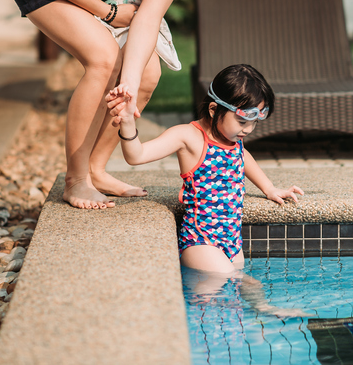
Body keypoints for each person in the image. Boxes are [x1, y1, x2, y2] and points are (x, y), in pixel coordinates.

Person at [6, 0, 234, 210]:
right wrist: (108, 12)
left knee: (147, 73)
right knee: (103, 58)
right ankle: (76, 179)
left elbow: (147, 19)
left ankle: (96, 170)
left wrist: (128, 84)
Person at [108, 64, 304, 273]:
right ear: (213, 109)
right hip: (201, 241)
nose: (248, 129)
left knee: (237, 291)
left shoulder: (233, 137)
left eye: (254, 122)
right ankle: (265, 308)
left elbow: (242, 157)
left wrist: (269, 188)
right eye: (241, 121)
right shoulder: (188, 137)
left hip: (231, 241)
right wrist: (127, 121)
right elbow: (136, 156)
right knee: (237, 283)